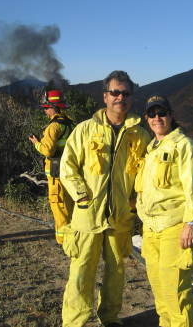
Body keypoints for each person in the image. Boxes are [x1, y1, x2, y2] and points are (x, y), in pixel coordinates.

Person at [59, 71, 150, 327]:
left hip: (120, 217)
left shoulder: (139, 136)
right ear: (105, 96)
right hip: (87, 215)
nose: (120, 97)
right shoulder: (85, 130)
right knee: (81, 273)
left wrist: (135, 203)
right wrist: (81, 196)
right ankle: (74, 323)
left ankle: (109, 318)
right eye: (115, 92)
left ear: (131, 98)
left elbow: (145, 176)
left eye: (125, 93)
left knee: (116, 273)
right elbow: (68, 167)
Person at [135, 95, 193, 327]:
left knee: (175, 294)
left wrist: (190, 224)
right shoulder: (151, 148)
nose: (157, 118)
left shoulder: (185, 146)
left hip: (175, 228)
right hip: (151, 229)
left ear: (171, 115)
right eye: (152, 114)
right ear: (147, 118)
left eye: (162, 113)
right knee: (159, 293)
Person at [29, 89, 74, 245]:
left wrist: (36, 144)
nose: (45, 110)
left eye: (46, 107)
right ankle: (73, 239)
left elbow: (47, 150)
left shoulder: (53, 126)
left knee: (59, 208)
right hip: (69, 172)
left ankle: (63, 242)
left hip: (56, 175)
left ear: (53, 107)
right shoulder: (69, 123)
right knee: (69, 207)